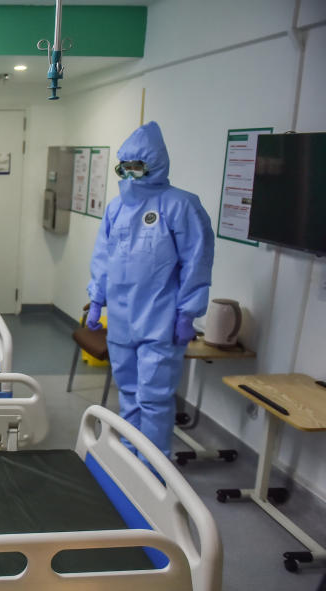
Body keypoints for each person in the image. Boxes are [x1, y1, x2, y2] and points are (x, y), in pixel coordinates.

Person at [86, 121, 214, 458]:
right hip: (122, 320)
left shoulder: (181, 205)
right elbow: (104, 256)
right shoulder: (116, 208)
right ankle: (130, 456)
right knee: (127, 392)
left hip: (160, 319)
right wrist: (97, 300)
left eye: (137, 167)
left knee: (154, 398)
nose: (130, 175)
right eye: (124, 167)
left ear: (154, 165)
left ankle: (154, 467)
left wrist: (188, 311)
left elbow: (196, 261)